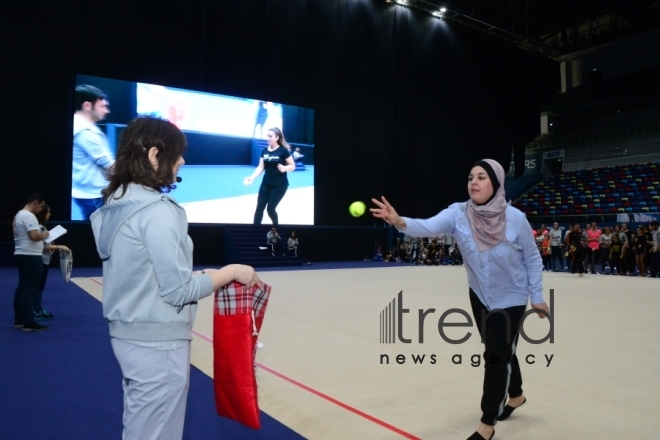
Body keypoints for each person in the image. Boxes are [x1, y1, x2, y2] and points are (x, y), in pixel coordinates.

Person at [90, 116, 261, 440]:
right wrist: (231, 273)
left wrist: (204, 276)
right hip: (159, 343)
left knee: (141, 427)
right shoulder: (157, 212)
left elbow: (149, 274)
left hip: (129, 335)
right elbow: (177, 290)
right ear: (155, 156)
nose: (182, 161)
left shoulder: (117, 205)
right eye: (177, 154)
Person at [371, 159, 548, 440]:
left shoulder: (515, 218)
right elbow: (428, 227)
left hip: (511, 296)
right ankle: (515, 395)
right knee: (500, 351)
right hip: (479, 294)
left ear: (497, 183)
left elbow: (533, 258)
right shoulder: (458, 213)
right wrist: (399, 221)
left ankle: (487, 423)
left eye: (481, 177)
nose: (473, 182)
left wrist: (537, 296)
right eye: (470, 177)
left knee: (494, 356)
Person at [72, 84, 115, 220]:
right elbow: (110, 166)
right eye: (102, 106)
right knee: (101, 233)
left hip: (88, 192)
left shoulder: (83, 126)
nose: (106, 111)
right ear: (87, 106)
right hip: (93, 195)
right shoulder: (86, 132)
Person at [13, 193, 50, 332]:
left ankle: (19, 319)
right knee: (30, 289)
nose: (41, 210)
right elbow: (34, 236)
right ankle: (29, 321)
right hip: (31, 256)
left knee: (22, 287)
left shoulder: (18, 215)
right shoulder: (29, 216)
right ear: (35, 203)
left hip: (21, 253)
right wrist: (45, 235)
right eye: (40, 206)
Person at [243, 127, 295, 225]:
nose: (268, 138)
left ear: (277, 137)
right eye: (267, 136)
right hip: (266, 183)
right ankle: (255, 229)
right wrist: (252, 177)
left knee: (270, 209)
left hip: (280, 185)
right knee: (259, 208)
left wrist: (285, 168)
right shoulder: (264, 151)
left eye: (270, 136)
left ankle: (276, 226)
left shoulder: (283, 150)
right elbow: (260, 167)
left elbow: (292, 166)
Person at [34, 204, 70, 320]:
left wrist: (52, 246)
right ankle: (35, 310)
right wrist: (59, 247)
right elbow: (42, 246)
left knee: (40, 286)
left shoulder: (43, 228)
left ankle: (37, 309)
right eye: (48, 212)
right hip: (40, 260)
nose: (50, 214)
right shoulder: (39, 228)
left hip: (45, 260)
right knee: (37, 286)